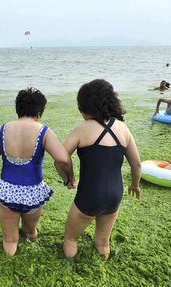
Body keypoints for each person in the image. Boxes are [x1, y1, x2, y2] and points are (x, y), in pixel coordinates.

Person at [0, 88, 74, 256]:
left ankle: (9, 263)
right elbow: (63, 159)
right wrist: (69, 177)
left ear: (17, 108)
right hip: (33, 192)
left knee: (9, 240)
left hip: (7, 191)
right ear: (40, 111)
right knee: (31, 232)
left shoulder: (4, 129)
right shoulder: (44, 131)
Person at [62, 79, 142, 259]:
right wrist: (135, 185)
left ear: (84, 106)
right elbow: (136, 164)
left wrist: (68, 178)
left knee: (71, 239)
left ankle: (68, 269)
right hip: (115, 195)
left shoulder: (81, 130)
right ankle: (102, 267)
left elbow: (61, 158)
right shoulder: (123, 129)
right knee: (103, 242)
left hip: (89, 196)